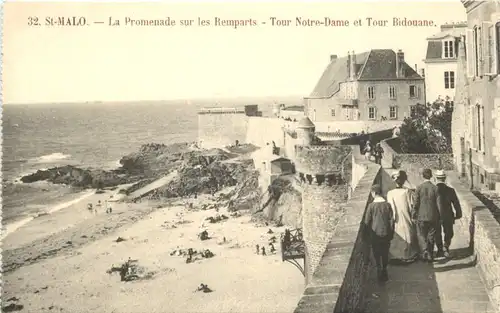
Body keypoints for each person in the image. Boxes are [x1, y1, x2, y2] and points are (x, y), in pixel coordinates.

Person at [364, 184, 394, 282]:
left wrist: (366, 235)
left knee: (377, 253)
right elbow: (391, 220)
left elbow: (367, 221)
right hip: (386, 233)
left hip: (375, 234)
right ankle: (384, 270)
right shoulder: (387, 205)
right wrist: (391, 232)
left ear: (374, 193)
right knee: (385, 253)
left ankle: (379, 270)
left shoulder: (371, 206)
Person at [387, 170, 419, 263]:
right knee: (408, 233)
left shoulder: (390, 193)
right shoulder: (407, 192)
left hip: (396, 218)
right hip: (406, 216)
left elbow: (391, 208)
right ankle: (408, 255)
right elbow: (412, 205)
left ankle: (397, 255)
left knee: (397, 235)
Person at [411, 168, 440, 262]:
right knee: (431, 235)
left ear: (422, 176)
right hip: (433, 216)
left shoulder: (419, 188)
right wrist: (440, 216)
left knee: (422, 235)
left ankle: (425, 251)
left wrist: (414, 214)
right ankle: (430, 254)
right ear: (431, 176)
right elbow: (439, 204)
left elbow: (416, 203)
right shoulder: (435, 188)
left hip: (421, 216)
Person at [434, 170, 463, 258]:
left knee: (437, 233)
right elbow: (456, 203)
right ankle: (446, 246)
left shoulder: (433, 190)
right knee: (449, 232)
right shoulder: (450, 190)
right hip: (448, 215)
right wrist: (458, 214)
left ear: (436, 178)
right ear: (444, 178)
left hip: (436, 215)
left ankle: (439, 249)